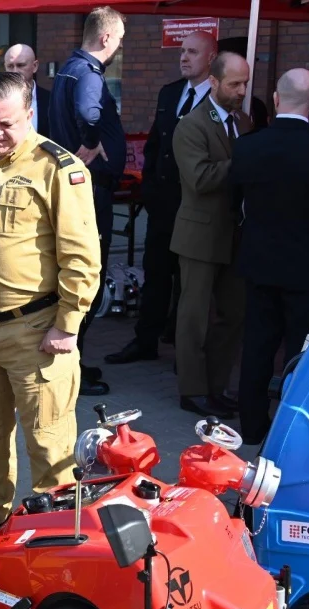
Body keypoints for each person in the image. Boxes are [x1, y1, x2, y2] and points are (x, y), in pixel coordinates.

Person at [0, 72, 102, 556]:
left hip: (37, 330)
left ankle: (53, 535)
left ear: (29, 115)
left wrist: (67, 324)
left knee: (49, 442)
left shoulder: (58, 168)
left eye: (6, 123)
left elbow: (81, 257)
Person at [231, 69, 309, 445]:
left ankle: (252, 425)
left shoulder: (248, 146)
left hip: (259, 262)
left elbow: (234, 203)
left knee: (257, 345)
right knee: (303, 351)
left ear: (275, 99)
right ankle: (294, 429)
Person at [106, 31, 217, 365]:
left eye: (193, 52)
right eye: (182, 51)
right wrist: (150, 189)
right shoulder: (170, 92)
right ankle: (146, 340)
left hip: (197, 206)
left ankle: (185, 348)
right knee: (156, 272)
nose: (184, 57)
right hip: (164, 203)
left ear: (211, 58)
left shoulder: (218, 99)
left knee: (189, 281)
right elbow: (155, 145)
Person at [49, 5, 127, 397]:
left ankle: (73, 362)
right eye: (120, 40)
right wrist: (93, 143)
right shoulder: (89, 74)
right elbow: (88, 112)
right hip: (90, 193)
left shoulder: (68, 69)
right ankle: (69, 369)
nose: (119, 48)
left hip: (77, 188)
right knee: (86, 277)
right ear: (106, 37)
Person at [171, 52, 253, 420]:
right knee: (195, 317)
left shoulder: (244, 122)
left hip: (236, 234)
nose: (242, 91)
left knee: (233, 314)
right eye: (235, 84)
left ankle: (217, 387)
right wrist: (248, 160)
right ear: (215, 82)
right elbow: (200, 179)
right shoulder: (192, 125)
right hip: (200, 236)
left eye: (245, 83)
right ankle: (192, 391)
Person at [4, 44, 51, 136]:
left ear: (35, 66)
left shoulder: (51, 101)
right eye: (10, 66)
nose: (15, 71)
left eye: (20, 65)